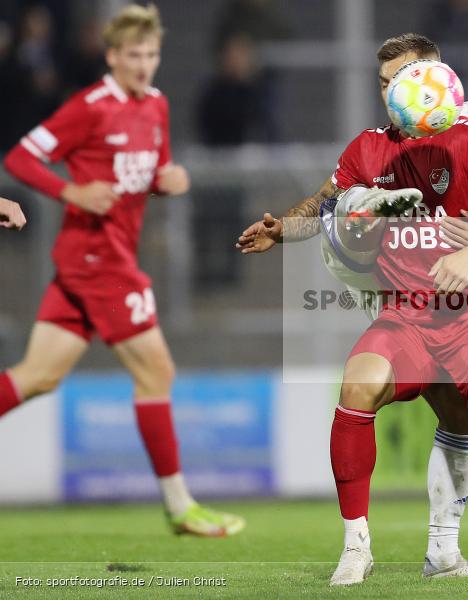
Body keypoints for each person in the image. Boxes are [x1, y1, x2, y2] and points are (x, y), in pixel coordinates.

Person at [236, 33, 468, 586]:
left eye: (404, 80)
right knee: (357, 385)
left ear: (434, 82)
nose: (395, 93)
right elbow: (321, 203)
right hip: (406, 312)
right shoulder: (371, 147)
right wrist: (282, 229)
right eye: (386, 84)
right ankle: (357, 547)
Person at [0, 3, 244, 537]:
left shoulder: (156, 105)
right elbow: (19, 158)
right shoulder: (89, 106)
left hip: (103, 258)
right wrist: (70, 190)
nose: (144, 64)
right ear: (111, 56)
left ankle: (181, 508)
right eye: (133, 55)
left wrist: (166, 181)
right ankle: (180, 507)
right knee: (156, 373)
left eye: (151, 54)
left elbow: (148, 172)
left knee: (36, 377)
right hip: (97, 262)